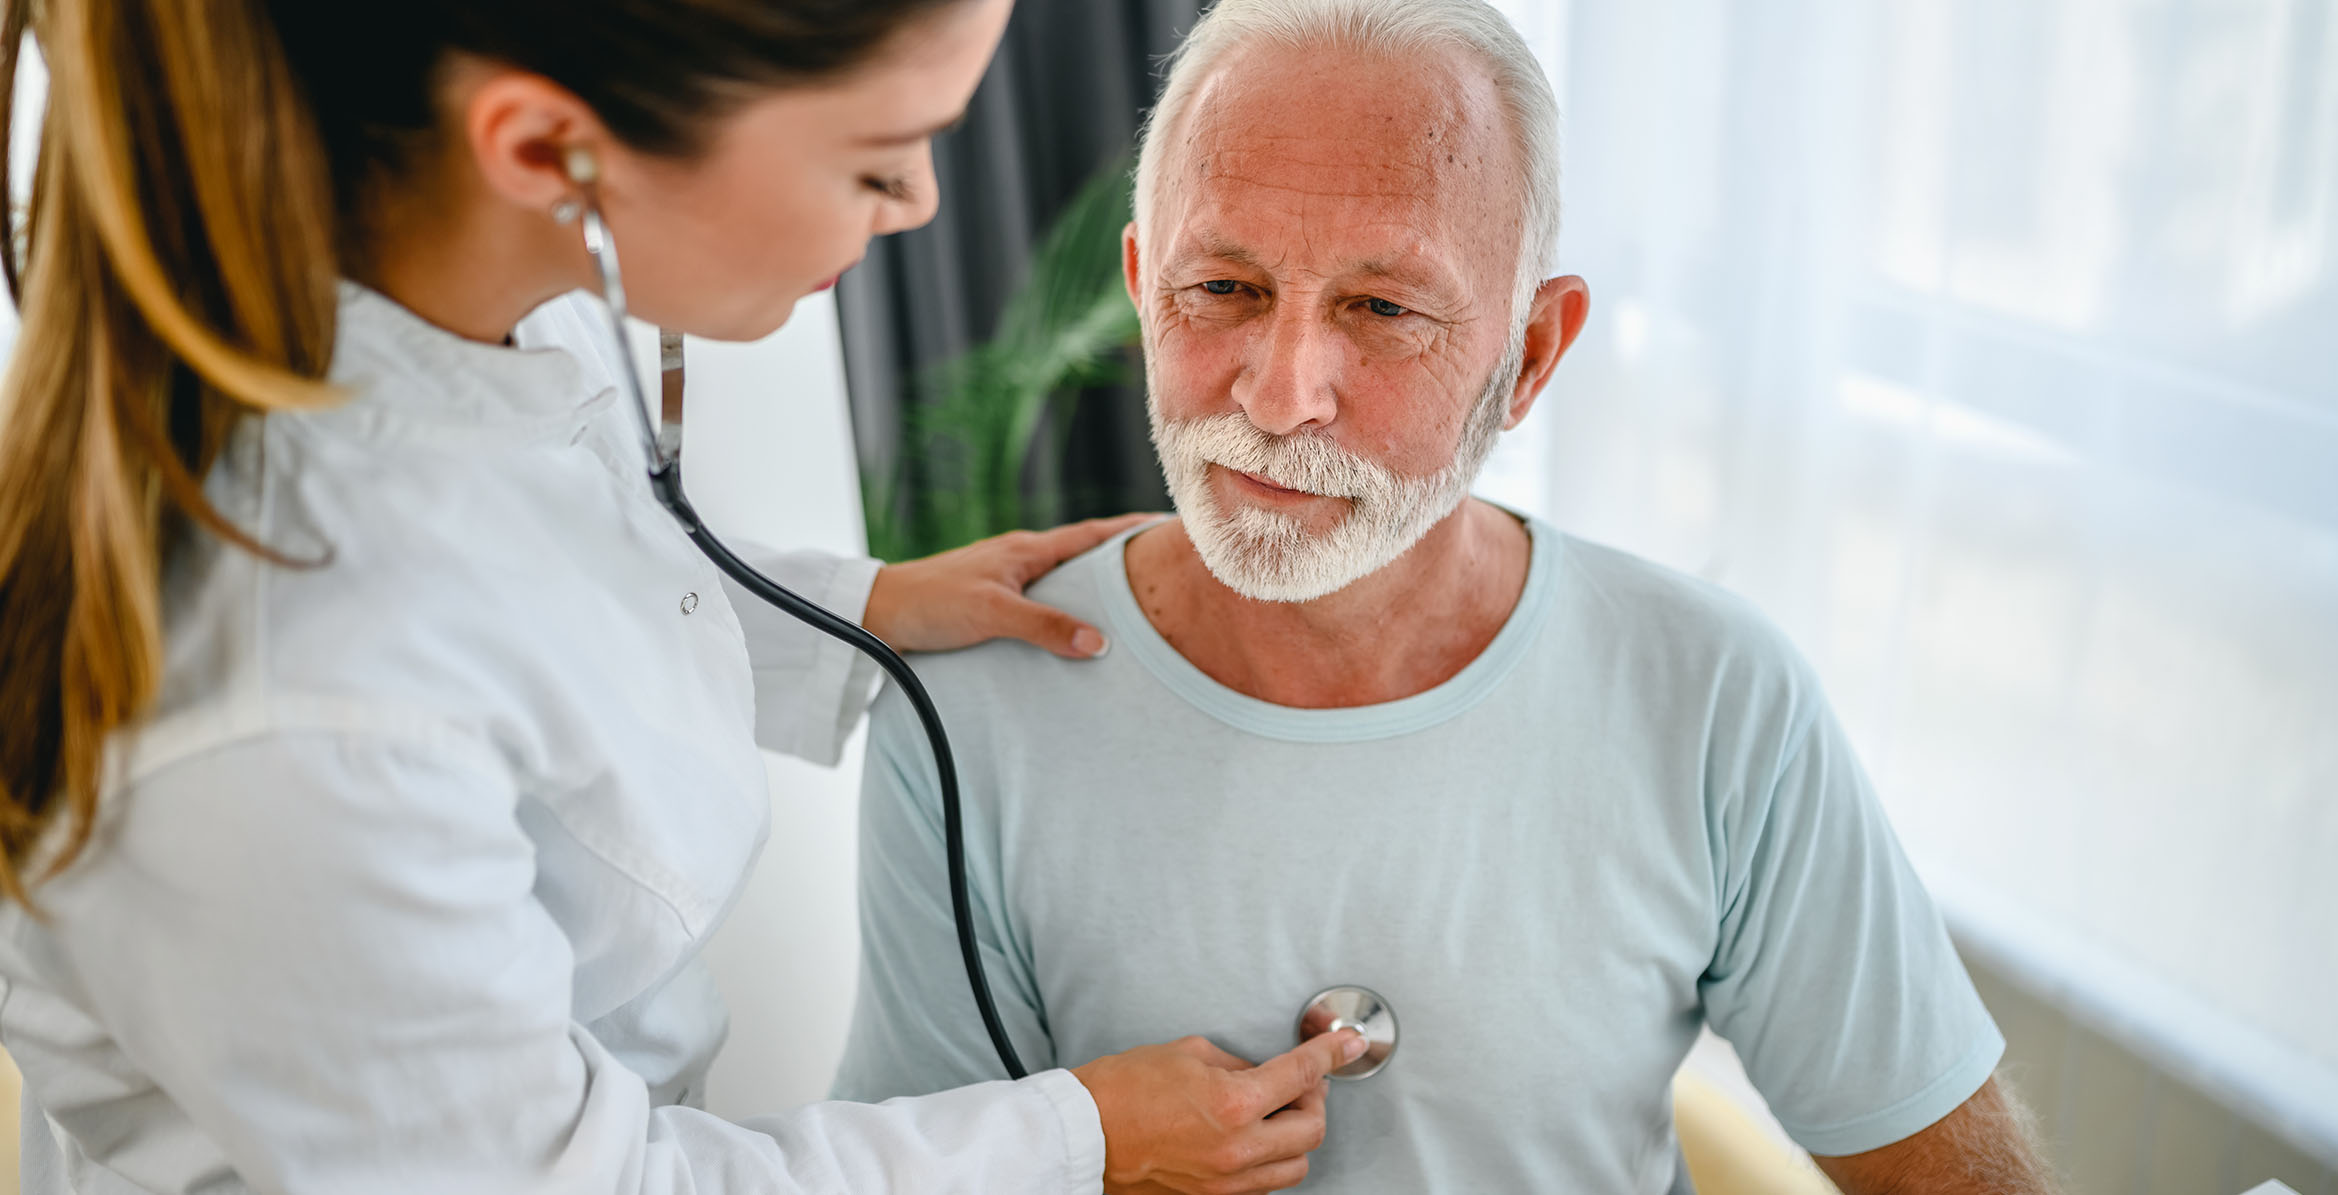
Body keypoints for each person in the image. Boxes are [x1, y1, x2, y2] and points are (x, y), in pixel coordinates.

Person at [0, 1, 1367, 1192]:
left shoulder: (475, 274)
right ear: (547, 151)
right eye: (878, 161)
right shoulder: (289, 717)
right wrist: (1076, 1138)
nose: (923, 208)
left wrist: (864, 604)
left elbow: (539, 565)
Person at [830, 1, 2062, 1192]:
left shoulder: (1715, 694)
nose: (1279, 395)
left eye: (1380, 308)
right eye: (1223, 289)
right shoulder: (969, 702)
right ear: (1145, 286)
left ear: (1529, 357)